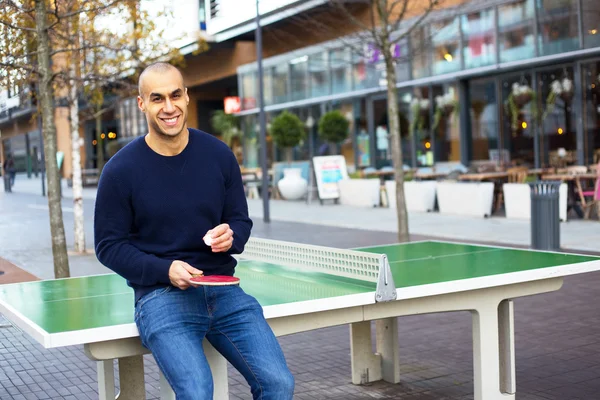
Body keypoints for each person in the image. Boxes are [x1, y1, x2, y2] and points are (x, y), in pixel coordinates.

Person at [93, 62, 294, 400]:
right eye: (157, 99)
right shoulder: (119, 170)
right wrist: (164, 270)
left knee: (278, 383)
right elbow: (108, 246)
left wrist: (232, 235)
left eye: (175, 95)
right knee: (197, 390)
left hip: (225, 292)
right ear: (142, 104)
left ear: (187, 97)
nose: (169, 107)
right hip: (160, 297)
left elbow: (240, 221)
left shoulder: (218, 155)